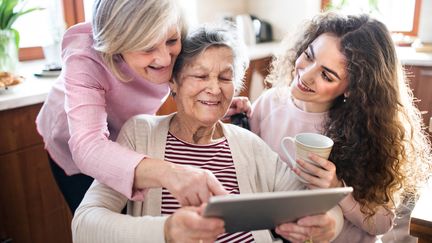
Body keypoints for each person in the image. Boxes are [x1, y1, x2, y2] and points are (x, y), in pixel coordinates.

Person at [72, 23, 344, 243]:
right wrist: (166, 231)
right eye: (200, 76)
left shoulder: (249, 145)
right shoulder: (140, 134)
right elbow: (84, 225)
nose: (214, 89)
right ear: (174, 83)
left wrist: (330, 223)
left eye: (225, 78)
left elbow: (313, 205)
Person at [35, 0, 249, 213]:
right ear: (117, 44)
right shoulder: (85, 56)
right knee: (102, 221)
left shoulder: (175, 29)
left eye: (171, 40)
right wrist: (171, 173)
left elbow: (190, 80)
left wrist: (211, 103)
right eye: (148, 47)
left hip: (128, 133)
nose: (165, 59)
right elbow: (88, 147)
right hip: (73, 141)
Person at [249, 12, 432, 242]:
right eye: (308, 56)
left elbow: (381, 225)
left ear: (352, 89)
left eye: (326, 75)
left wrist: (337, 188)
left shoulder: (369, 131)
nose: (305, 76)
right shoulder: (269, 104)